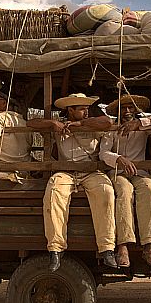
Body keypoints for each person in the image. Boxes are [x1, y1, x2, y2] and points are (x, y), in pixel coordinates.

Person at [28, 93, 116, 271]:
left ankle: (107, 248)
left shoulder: (91, 123)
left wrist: (80, 123)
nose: (86, 112)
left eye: (87, 108)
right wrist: (53, 123)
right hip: (66, 172)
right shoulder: (59, 124)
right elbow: (31, 123)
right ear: (70, 110)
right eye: (82, 109)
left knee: (106, 192)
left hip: (91, 172)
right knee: (54, 192)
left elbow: (108, 123)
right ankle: (55, 249)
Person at [99, 95, 151, 268]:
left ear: (136, 110)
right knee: (124, 191)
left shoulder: (144, 125)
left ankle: (150, 244)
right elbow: (103, 152)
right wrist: (119, 158)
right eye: (124, 108)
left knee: (150, 189)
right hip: (118, 172)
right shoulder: (111, 128)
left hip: (140, 172)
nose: (128, 111)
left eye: (131, 108)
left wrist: (139, 124)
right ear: (118, 111)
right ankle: (123, 246)